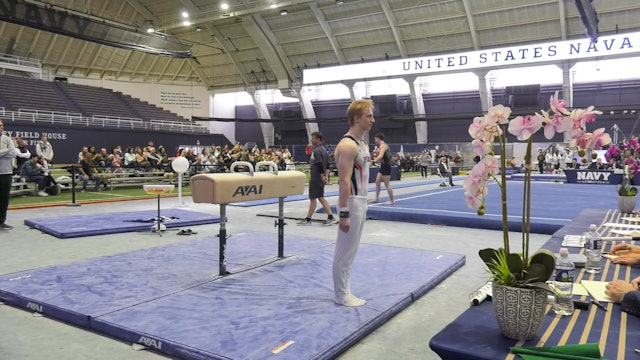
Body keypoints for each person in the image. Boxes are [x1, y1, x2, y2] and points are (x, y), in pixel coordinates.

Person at [332, 99, 374, 307]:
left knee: (352, 250)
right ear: (357, 118)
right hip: (352, 202)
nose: (372, 120)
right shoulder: (348, 145)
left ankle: (346, 289)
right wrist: (344, 213)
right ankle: (341, 294)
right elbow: (343, 180)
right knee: (345, 250)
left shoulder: (362, 144)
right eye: (369, 116)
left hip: (362, 200)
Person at [298, 132, 336, 226]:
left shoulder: (317, 151)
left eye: (313, 138)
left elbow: (319, 164)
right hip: (320, 178)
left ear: (318, 139)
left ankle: (308, 219)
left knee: (313, 199)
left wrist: (322, 176)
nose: (312, 140)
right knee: (321, 197)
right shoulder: (324, 150)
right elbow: (327, 165)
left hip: (316, 178)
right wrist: (326, 176)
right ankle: (331, 217)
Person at [0, 120, 19, 230]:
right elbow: (9, 151)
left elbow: (13, 153)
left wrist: (4, 151)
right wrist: (7, 150)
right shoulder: (8, 142)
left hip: (6, 172)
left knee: (4, 198)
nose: (1, 127)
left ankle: (1, 221)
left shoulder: (7, 139)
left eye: (2, 125)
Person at [371, 133, 395, 204]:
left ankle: (392, 200)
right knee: (377, 181)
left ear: (378, 138)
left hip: (386, 166)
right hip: (383, 165)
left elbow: (381, 156)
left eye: (375, 139)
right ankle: (376, 198)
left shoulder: (383, 146)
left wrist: (374, 161)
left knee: (387, 184)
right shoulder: (383, 145)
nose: (375, 140)